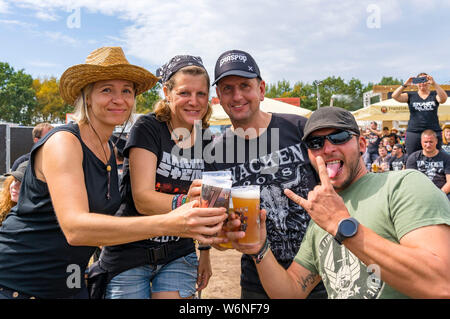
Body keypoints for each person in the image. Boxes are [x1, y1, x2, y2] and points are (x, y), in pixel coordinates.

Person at [0, 47, 227, 299]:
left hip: (66, 286)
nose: (118, 99)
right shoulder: (64, 142)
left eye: (126, 91)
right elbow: (76, 229)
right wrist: (175, 219)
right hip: (17, 282)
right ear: (87, 96)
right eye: (107, 89)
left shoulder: (107, 147)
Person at [226, 106, 450, 299]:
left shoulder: (403, 185)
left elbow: (441, 284)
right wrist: (259, 249)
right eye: (316, 143)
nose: (328, 148)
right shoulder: (321, 217)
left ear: (362, 144)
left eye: (339, 137)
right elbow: (292, 290)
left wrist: (343, 225)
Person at [205, 49, 326, 299]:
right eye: (227, 88)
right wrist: (224, 234)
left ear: (261, 89)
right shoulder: (214, 154)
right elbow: (216, 233)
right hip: (258, 279)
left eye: (244, 86)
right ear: (218, 96)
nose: (237, 95)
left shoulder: (299, 129)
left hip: (322, 272)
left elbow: (339, 187)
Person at [99, 55, 214, 299]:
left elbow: (208, 199)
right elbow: (143, 199)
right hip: (130, 250)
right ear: (167, 92)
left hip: (179, 252)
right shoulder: (148, 128)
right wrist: (186, 203)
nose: (194, 101)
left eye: (201, 94)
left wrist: (204, 251)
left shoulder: (206, 137)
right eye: (185, 93)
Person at [392, 72, 448, 155]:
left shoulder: (434, 95)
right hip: (414, 132)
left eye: (425, 80)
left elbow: (443, 99)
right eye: (419, 80)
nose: (422, 83)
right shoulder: (410, 96)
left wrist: (434, 84)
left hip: (433, 131)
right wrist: (406, 84)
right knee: (412, 157)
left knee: (435, 157)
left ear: (429, 82)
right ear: (416, 83)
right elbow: (395, 96)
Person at [406, 129, 450, 200]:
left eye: (431, 142)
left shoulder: (446, 158)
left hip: (442, 193)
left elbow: (449, 182)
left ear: (436, 142)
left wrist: (440, 194)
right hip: (419, 193)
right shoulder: (413, 157)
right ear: (421, 142)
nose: (428, 145)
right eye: (425, 142)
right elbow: (409, 181)